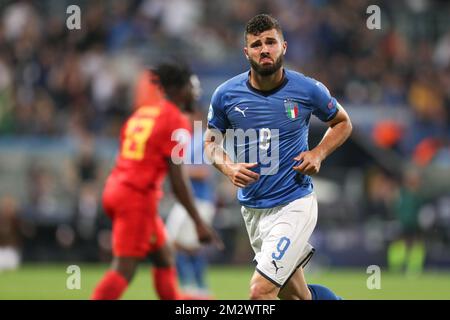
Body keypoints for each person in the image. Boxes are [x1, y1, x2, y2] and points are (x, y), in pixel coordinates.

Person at [204, 14, 353, 300]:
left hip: (293, 204)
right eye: (257, 44)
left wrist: (318, 153)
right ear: (246, 52)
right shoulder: (225, 95)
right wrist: (228, 167)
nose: (264, 49)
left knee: (260, 292)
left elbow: (343, 122)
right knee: (297, 296)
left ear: (283, 46)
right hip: (253, 211)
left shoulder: (307, 89)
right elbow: (211, 141)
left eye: (270, 42)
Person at [91, 62, 219, 300]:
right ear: (180, 89)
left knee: (164, 257)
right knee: (125, 269)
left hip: (118, 188)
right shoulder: (176, 121)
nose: (198, 91)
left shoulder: (143, 113)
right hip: (136, 197)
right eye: (194, 85)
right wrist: (198, 222)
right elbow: (177, 180)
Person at [165, 109, 216, 298]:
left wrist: (179, 172)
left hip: (200, 201)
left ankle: (193, 288)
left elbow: (204, 172)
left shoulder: (203, 140)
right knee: (179, 243)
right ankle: (197, 288)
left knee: (185, 244)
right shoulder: (187, 140)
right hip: (189, 202)